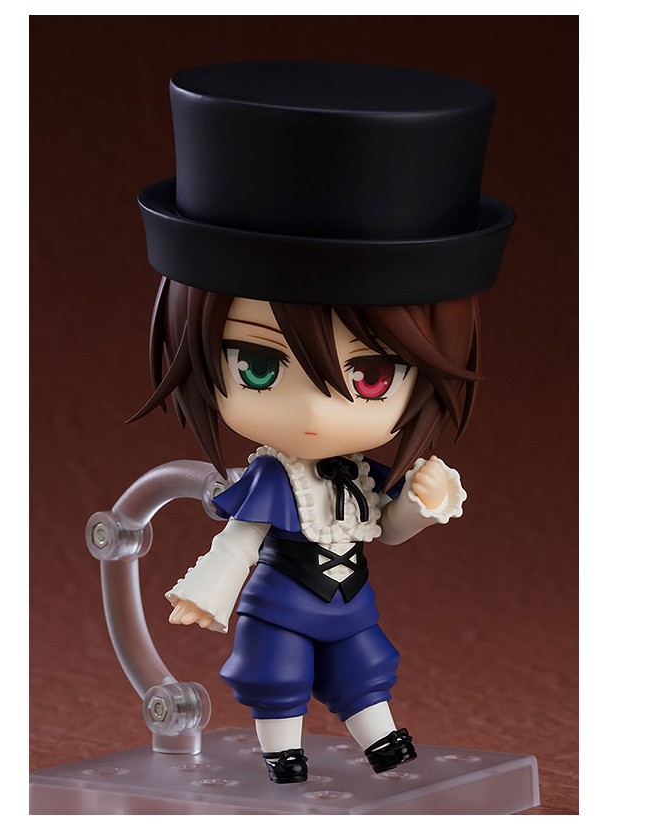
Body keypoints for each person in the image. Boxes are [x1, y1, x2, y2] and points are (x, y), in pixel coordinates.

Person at [131, 62, 514, 782]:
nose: (312, 413)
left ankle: (383, 741)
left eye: (370, 377)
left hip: (350, 603)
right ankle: (283, 752)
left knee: (363, 668)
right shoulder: (272, 478)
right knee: (276, 673)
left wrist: (424, 506)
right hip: (281, 603)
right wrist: (208, 593)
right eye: (257, 366)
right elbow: (240, 540)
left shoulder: (363, 474)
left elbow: (386, 530)